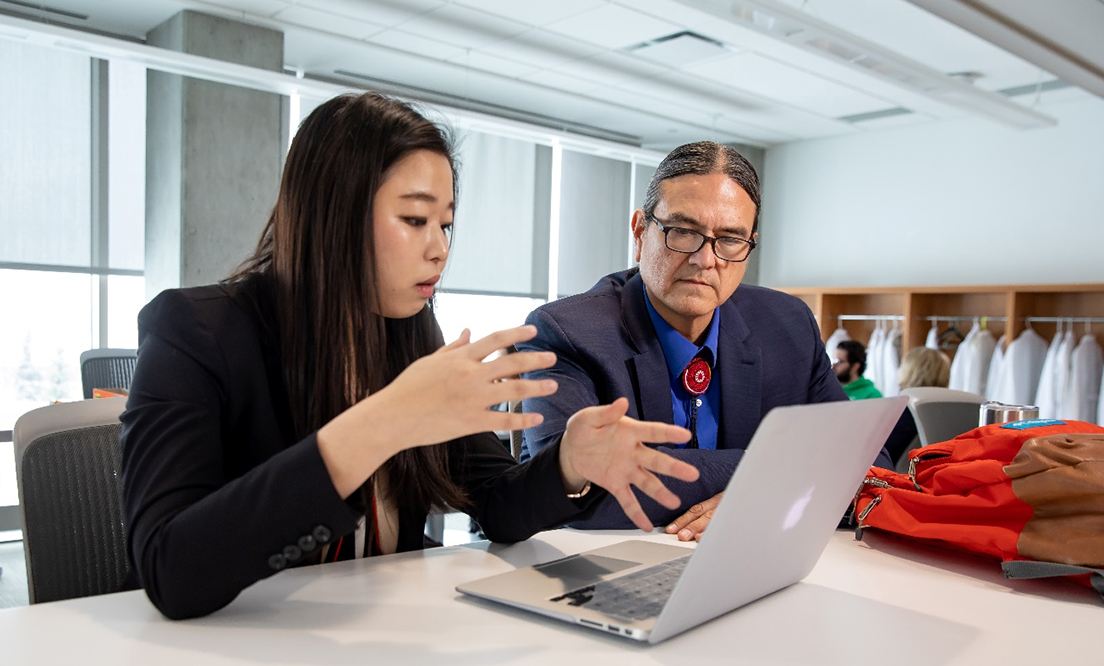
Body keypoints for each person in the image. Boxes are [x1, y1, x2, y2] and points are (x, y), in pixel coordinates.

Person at [119, 92, 699, 620]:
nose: (440, 248)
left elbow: (494, 505)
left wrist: (570, 464)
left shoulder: (409, 329)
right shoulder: (195, 332)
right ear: (334, 217)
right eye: (415, 220)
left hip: (374, 629)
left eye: (446, 224)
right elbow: (172, 571)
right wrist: (386, 420)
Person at [518, 141, 891, 541]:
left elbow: (870, 466)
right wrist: (773, 475)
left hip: (752, 561)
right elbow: (576, 494)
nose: (705, 259)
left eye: (730, 239)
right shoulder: (567, 332)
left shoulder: (788, 327)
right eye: (683, 231)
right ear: (640, 232)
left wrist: (765, 497)